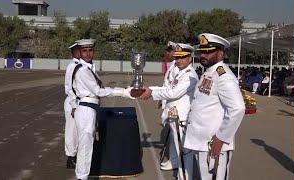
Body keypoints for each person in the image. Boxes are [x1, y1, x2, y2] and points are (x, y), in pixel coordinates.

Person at [183, 33, 245, 180]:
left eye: (208, 51)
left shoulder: (224, 76)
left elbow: (238, 108)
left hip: (214, 145)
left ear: (220, 53)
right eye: (201, 51)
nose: (203, 55)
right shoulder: (208, 73)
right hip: (201, 142)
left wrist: (221, 138)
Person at [72, 39, 134, 180]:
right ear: (79, 53)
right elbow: (98, 91)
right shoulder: (82, 71)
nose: (88, 54)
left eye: (90, 50)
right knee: (85, 147)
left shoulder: (87, 68)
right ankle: (82, 177)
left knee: (87, 146)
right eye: (84, 51)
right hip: (86, 109)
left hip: (90, 109)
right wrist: (122, 92)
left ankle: (82, 176)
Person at [139, 43, 199, 179]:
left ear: (190, 58)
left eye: (182, 57)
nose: (178, 60)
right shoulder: (181, 72)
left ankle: (183, 175)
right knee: (176, 145)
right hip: (175, 116)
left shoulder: (190, 76)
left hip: (182, 118)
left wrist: (151, 92)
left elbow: (173, 93)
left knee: (184, 150)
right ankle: (176, 165)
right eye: (177, 57)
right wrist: (150, 89)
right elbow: (168, 87)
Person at [64, 41, 81, 169]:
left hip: (79, 102)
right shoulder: (72, 66)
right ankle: (70, 158)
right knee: (72, 131)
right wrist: (74, 105)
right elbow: (69, 88)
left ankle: (75, 156)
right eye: (80, 50)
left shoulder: (80, 65)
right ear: (75, 52)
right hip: (72, 102)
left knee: (78, 131)